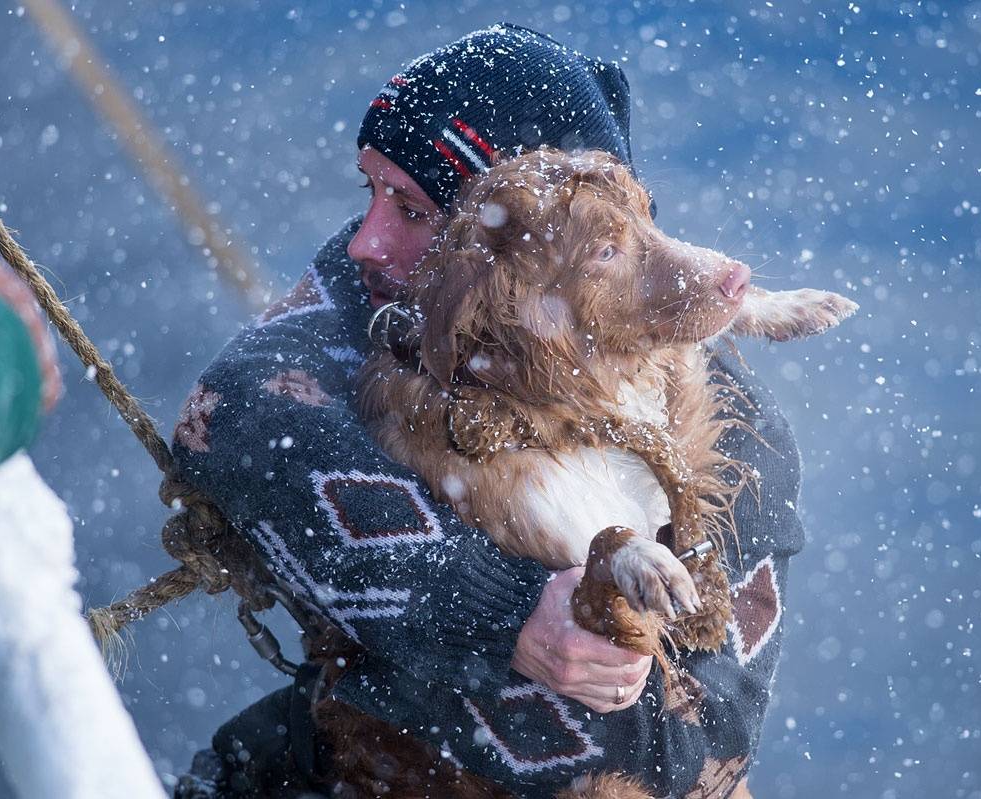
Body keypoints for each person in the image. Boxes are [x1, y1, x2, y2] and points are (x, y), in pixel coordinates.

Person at [172, 23, 803, 799]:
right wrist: (502, 609)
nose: (365, 243)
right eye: (370, 193)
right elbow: (230, 414)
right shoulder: (401, 286)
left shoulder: (736, 433)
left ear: (516, 254)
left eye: (409, 208)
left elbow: (684, 756)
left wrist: (531, 642)